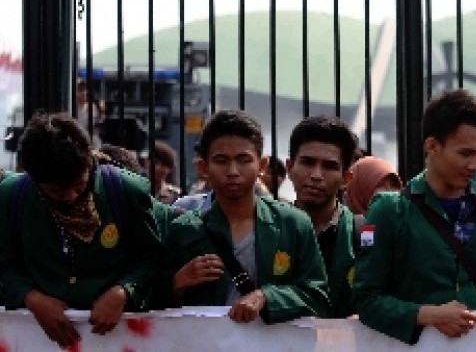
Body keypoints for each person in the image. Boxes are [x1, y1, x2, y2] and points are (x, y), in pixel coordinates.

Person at [353, 89, 476, 344]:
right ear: (432, 146)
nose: (475, 165)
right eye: (465, 153)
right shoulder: (389, 210)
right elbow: (367, 300)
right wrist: (426, 315)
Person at [0, 112, 161, 349]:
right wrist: (32, 298)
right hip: (36, 340)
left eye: (78, 185)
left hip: (115, 340)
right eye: (56, 192)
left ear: (89, 162)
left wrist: (124, 291)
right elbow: (5, 264)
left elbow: (153, 258)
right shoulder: (12, 196)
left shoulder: (126, 191)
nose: (71, 198)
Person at [162, 109, 329, 322]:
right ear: (204, 167)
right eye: (221, 160)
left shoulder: (293, 224)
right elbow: (149, 302)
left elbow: (318, 297)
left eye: (244, 160)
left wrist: (267, 297)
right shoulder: (184, 229)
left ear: (262, 165)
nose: (233, 171)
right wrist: (177, 283)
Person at [285, 114, 359, 317]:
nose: (316, 175)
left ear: (346, 178)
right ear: (289, 168)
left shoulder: (365, 234)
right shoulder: (270, 231)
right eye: (308, 162)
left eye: (329, 166)